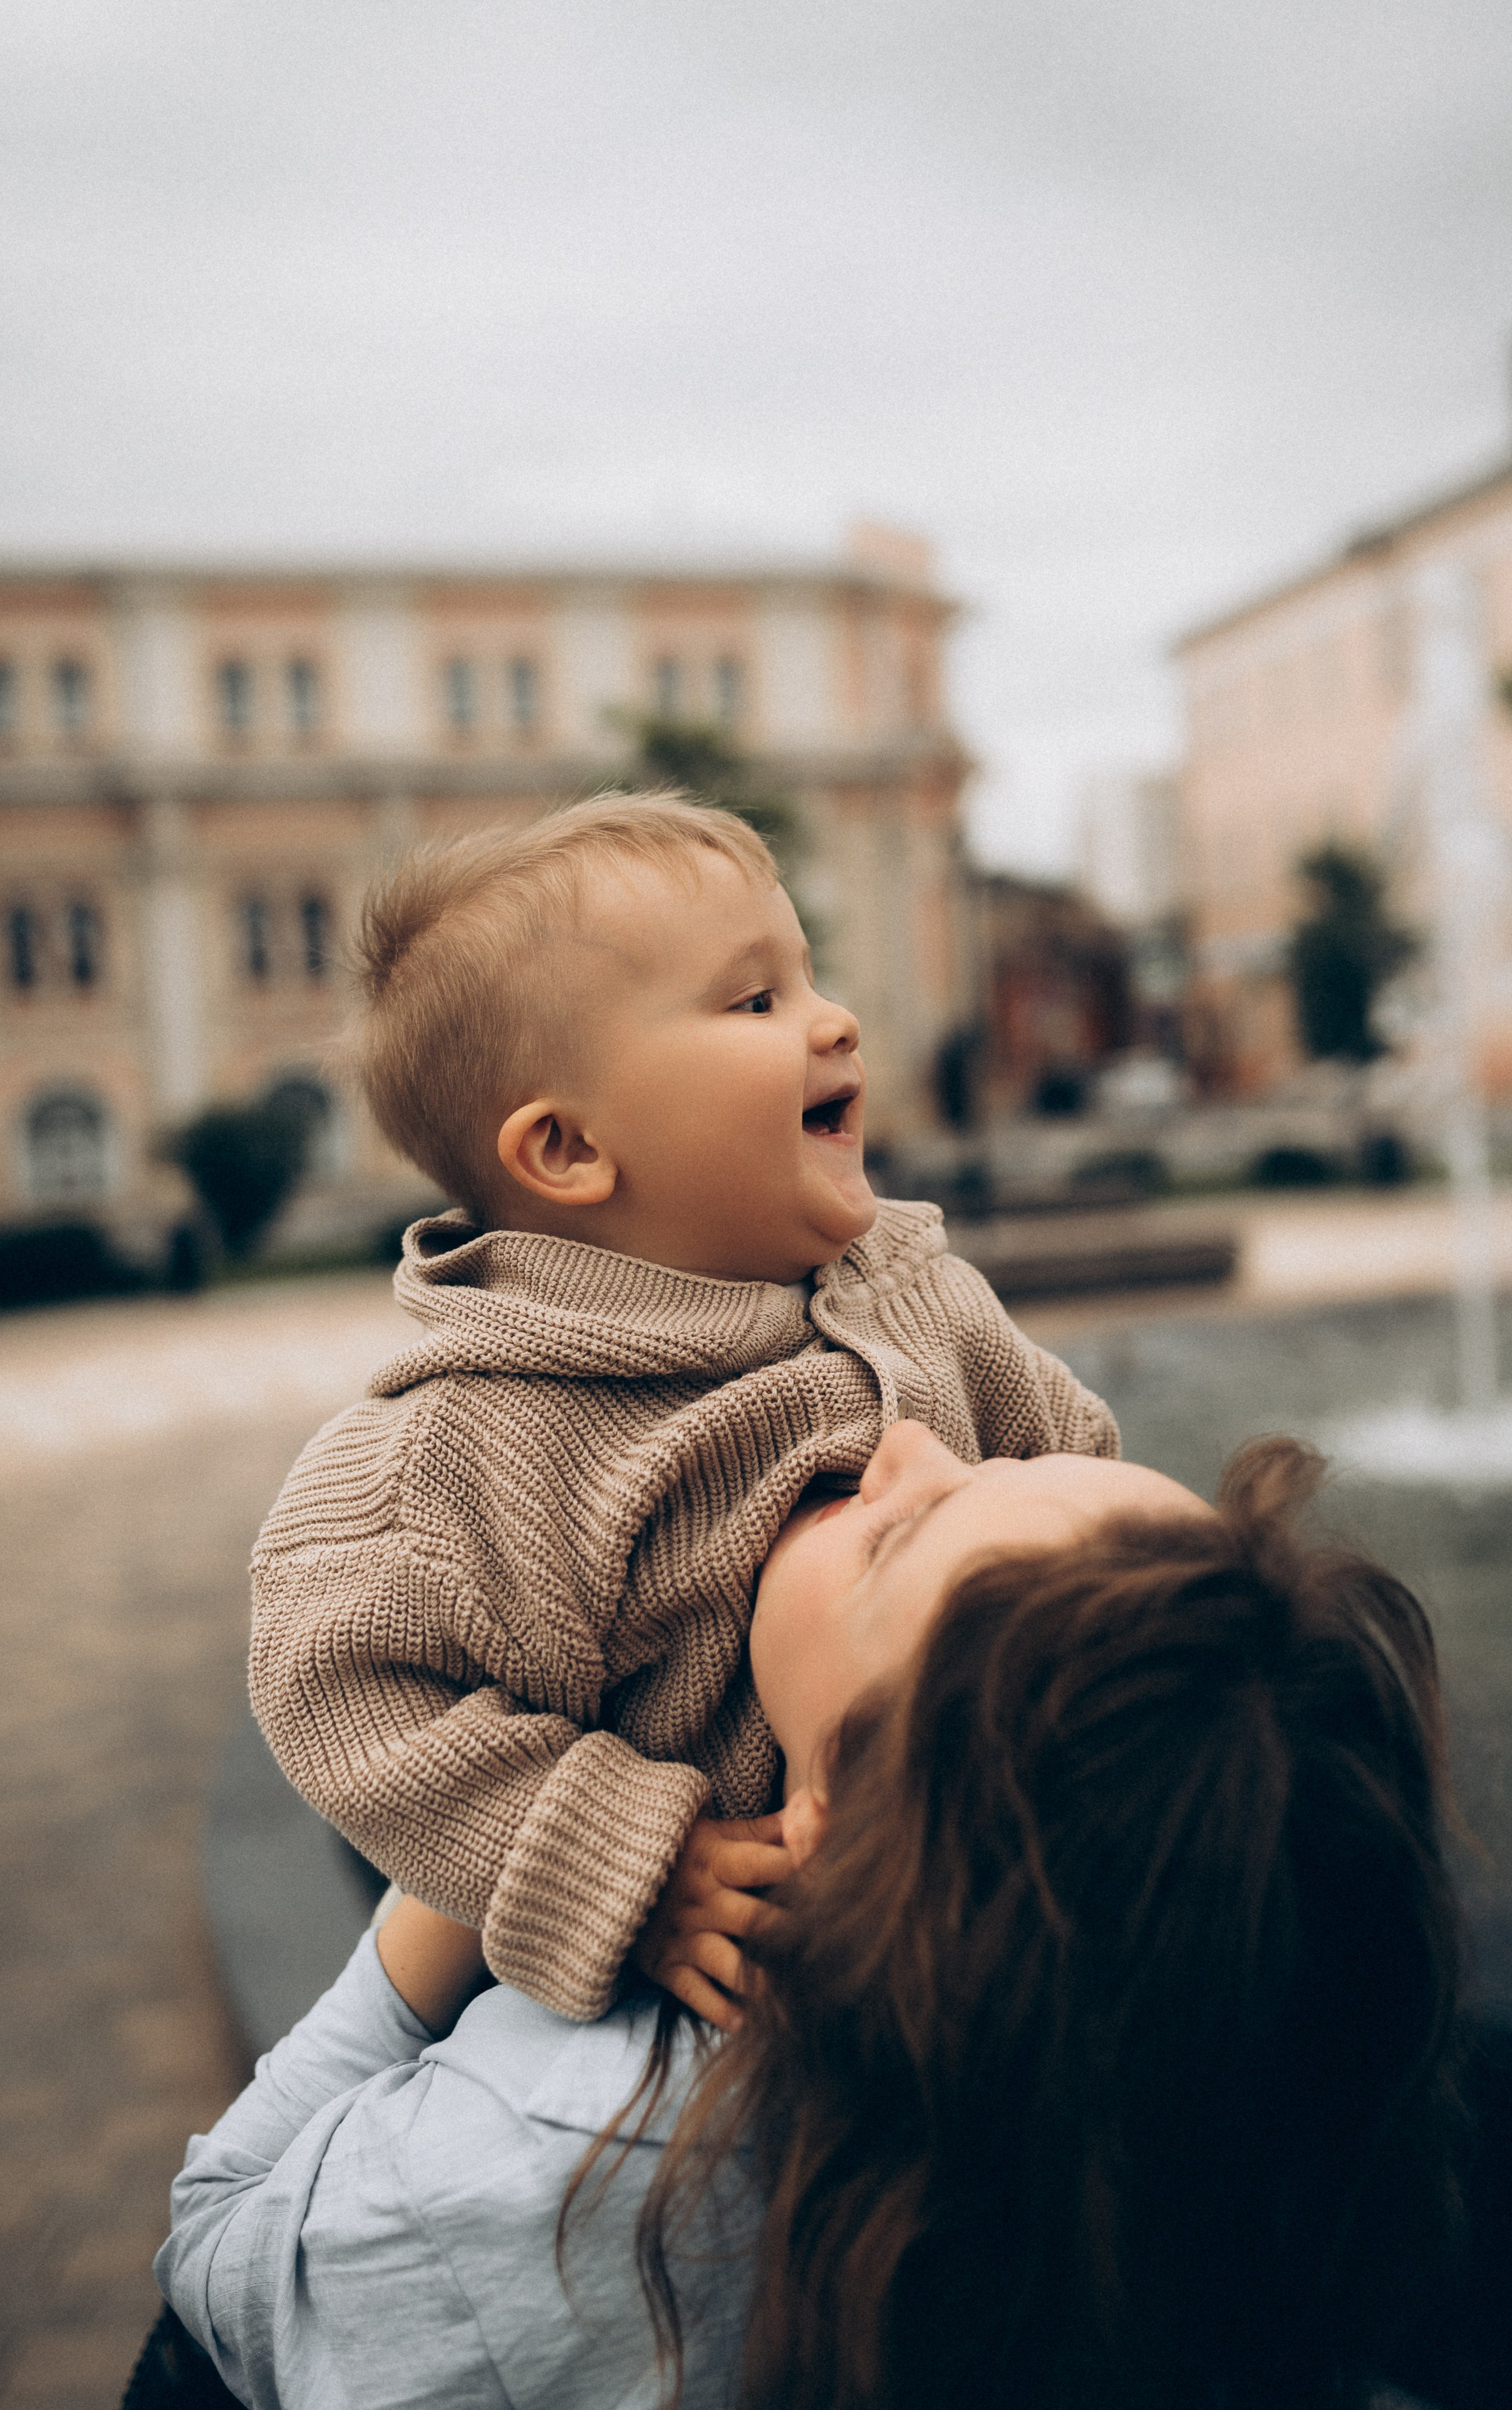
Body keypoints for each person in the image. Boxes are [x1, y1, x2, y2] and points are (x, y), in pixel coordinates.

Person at [158, 1424, 1463, 2410]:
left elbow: (219, 2255)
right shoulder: (1232, 2101)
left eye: (899, 1532)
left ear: (836, 1825)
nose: (897, 1437)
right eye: (997, 1454)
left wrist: (482, 1857)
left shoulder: (556, 2154)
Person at [248, 792, 1117, 2033]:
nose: (835, 1020)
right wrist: (625, 1867)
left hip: (994, 1919)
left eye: (806, 973)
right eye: (755, 1000)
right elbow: (337, 1687)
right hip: (717, 2001)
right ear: (563, 1151)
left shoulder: (926, 1302)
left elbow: (1083, 1479)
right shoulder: (477, 1442)